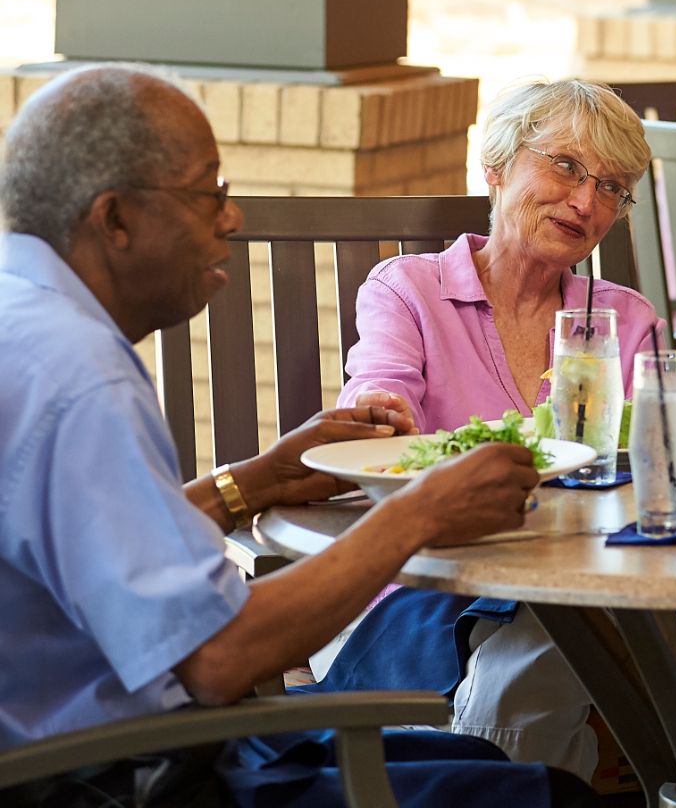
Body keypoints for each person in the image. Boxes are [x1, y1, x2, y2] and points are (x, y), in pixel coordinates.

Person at [0, 65, 593, 806]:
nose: (232, 217)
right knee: (549, 796)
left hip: (96, 746)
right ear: (113, 219)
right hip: (121, 777)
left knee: (476, 757)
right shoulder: (80, 377)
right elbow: (219, 657)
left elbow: (92, 556)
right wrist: (418, 514)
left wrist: (249, 484)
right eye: (208, 192)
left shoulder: (23, 322)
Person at [332, 78, 676, 775]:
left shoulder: (626, 318)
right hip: (429, 582)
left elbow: (660, 470)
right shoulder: (408, 290)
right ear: (496, 167)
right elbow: (379, 397)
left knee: (570, 619)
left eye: (611, 187)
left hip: (579, 583)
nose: (586, 201)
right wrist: (379, 411)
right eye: (564, 166)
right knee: (569, 633)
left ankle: (468, 777)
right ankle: (488, 777)